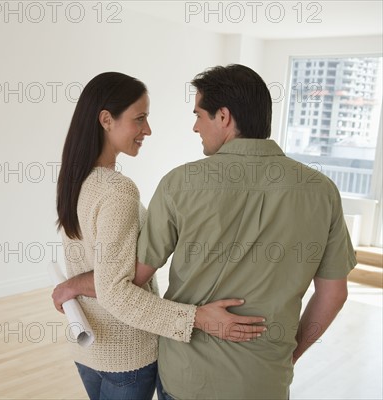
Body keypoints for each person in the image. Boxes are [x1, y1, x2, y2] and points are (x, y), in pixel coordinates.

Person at [131, 64, 357, 399]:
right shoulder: (321, 191)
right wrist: (288, 356)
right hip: (265, 381)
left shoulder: (179, 184)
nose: (195, 127)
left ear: (223, 117)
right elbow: (334, 294)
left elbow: (134, 278)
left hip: (188, 378)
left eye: (199, 115)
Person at [53, 71, 266, 400]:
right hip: (127, 351)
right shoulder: (118, 191)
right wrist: (197, 318)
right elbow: (117, 289)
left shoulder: (74, 180)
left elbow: (104, 272)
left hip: (88, 345)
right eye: (139, 119)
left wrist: (72, 285)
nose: (147, 130)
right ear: (106, 120)